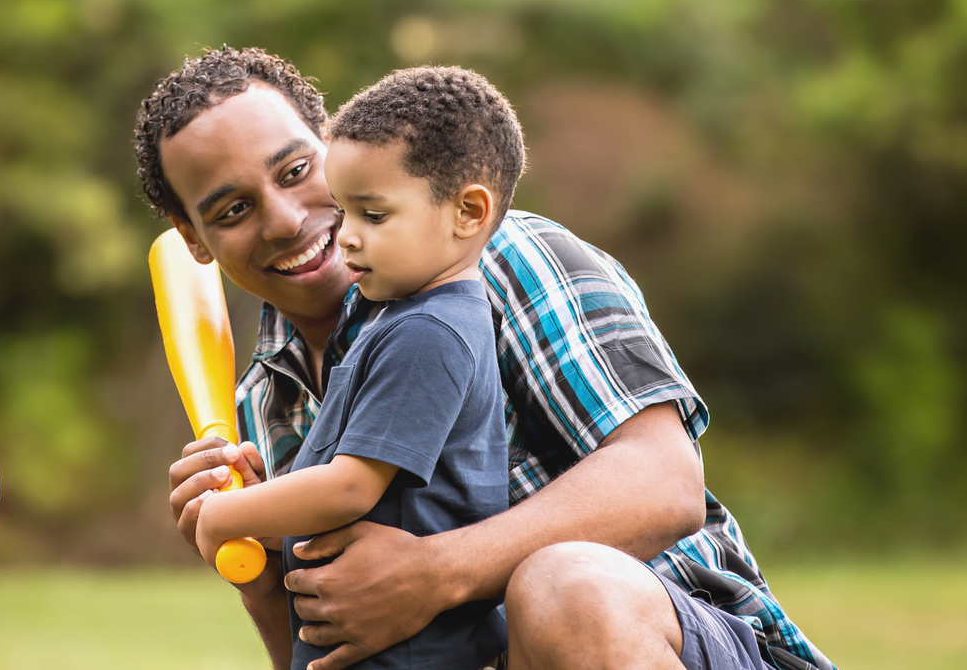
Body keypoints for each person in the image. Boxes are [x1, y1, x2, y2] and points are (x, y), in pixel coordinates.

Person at [134, 46, 835, 670]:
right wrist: (261, 578)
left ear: (333, 146)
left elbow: (663, 482)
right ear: (192, 239)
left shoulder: (497, 262)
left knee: (564, 586)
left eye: (295, 169)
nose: (285, 217)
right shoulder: (264, 406)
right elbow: (337, 650)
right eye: (230, 210)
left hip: (679, 634)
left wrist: (436, 571)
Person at [194, 66, 523, 670]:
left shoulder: (430, 332)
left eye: (373, 216)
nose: (344, 238)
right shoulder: (395, 319)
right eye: (343, 211)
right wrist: (265, 507)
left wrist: (226, 514)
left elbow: (350, 487)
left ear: (468, 214)